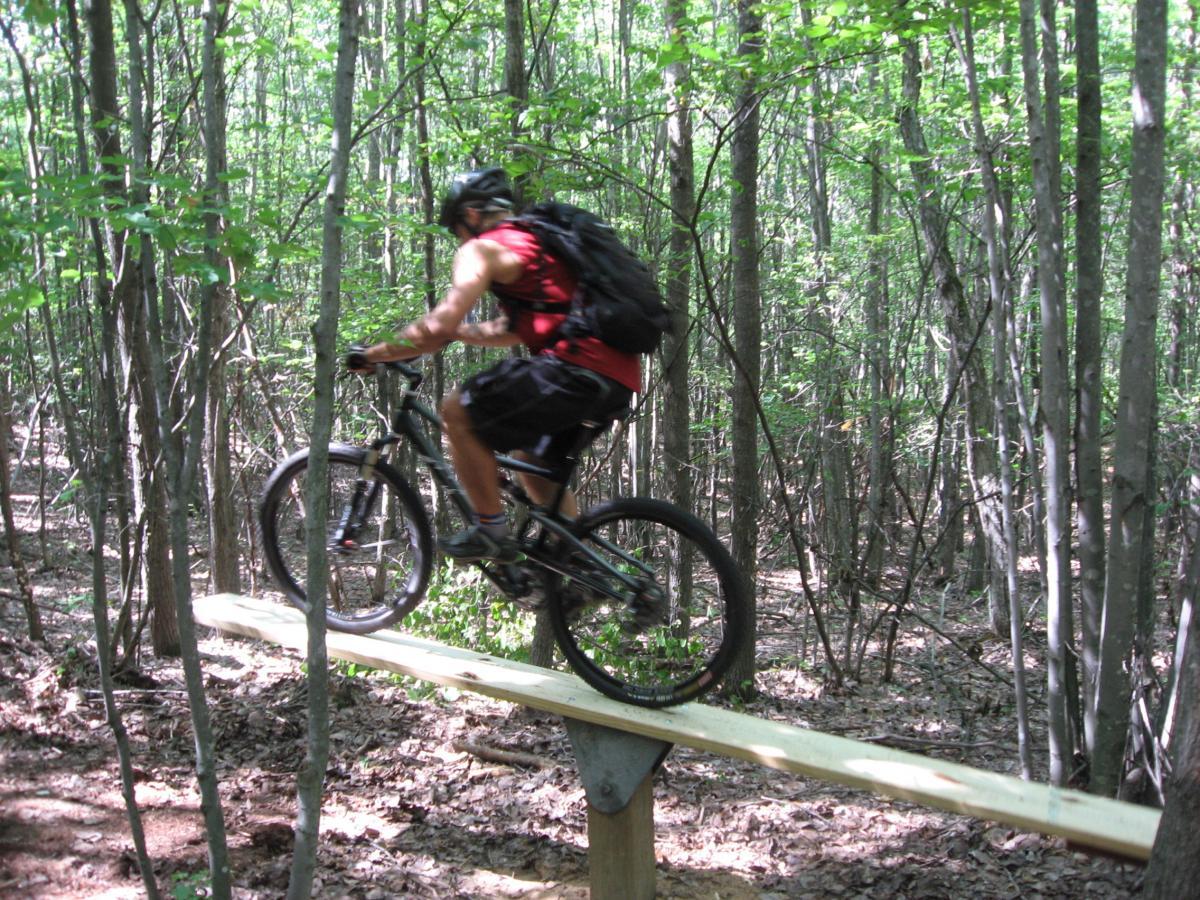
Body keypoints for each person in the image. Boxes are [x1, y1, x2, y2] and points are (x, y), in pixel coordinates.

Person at [348, 167, 641, 562]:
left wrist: (374, 353)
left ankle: (491, 531)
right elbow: (515, 329)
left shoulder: (482, 248)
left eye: (456, 229)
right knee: (531, 461)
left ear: (470, 215)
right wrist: (457, 333)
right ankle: (582, 565)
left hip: (574, 368)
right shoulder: (541, 245)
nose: (458, 239)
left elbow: (435, 326)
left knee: (456, 409)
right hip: (615, 377)